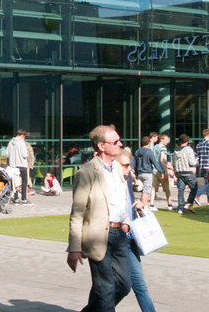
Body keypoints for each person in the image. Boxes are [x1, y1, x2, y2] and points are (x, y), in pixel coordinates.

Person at [66, 124, 133, 311]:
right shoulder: (87, 172)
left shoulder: (119, 169)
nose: (120, 144)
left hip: (120, 233)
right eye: (115, 141)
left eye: (119, 140)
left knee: (123, 285)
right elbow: (77, 213)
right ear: (102, 146)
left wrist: (126, 221)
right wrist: (74, 248)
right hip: (97, 236)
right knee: (105, 290)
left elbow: (122, 199)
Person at [116, 148, 156, 312]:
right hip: (116, 236)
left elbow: (148, 183)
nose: (130, 168)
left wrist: (141, 202)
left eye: (130, 165)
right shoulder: (112, 184)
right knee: (118, 286)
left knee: (137, 285)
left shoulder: (126, 182)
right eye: (126, 165)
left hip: (130, 237)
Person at [172, 134, 198, 214]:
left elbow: (174, 163)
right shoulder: (188, 149)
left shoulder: (176, 150)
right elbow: (191, 162)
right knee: (194, 188)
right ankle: (188, 203)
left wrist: (175, 172)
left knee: (180, 191)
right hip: (188, 172)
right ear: (187, 141)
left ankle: (180, 207)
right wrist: (196, 161)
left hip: (179, 173)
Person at [133, 135, 158, 210]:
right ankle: (143, 206)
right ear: (149, 143)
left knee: (144, 190)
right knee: (146, 191)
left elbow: (136, 163)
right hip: (147, 172)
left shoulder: (137, 151)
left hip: (140, 172)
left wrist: (136, 173)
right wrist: (162, 171)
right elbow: (155, 162)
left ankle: (143, 204)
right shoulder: (149, 151)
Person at [6, 130, 30, 204]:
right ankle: (23, 199)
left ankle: (16, 198)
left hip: (13, 165)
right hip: (22, 164)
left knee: (15, 182)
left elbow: (7, 154)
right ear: (22, 135)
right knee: (24, 181)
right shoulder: (21, 143)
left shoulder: (10, 142)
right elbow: (24, 154)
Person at [151, 133, 173, 211]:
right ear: (162, 139)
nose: (167, 141)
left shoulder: (155, 147)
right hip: (161, 171)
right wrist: (166, 170)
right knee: (166, 188)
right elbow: (162, 159)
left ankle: (152, 204)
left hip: (154, 170)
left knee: (153, 188)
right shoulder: (163, 147)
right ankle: (169, 204)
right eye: (166, 139)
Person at [194, 129, 209, 204]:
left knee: (207, 182)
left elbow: (196, 156)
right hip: (208, 165)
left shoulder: (198, 145)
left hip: (202, 166)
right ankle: (197, 195)